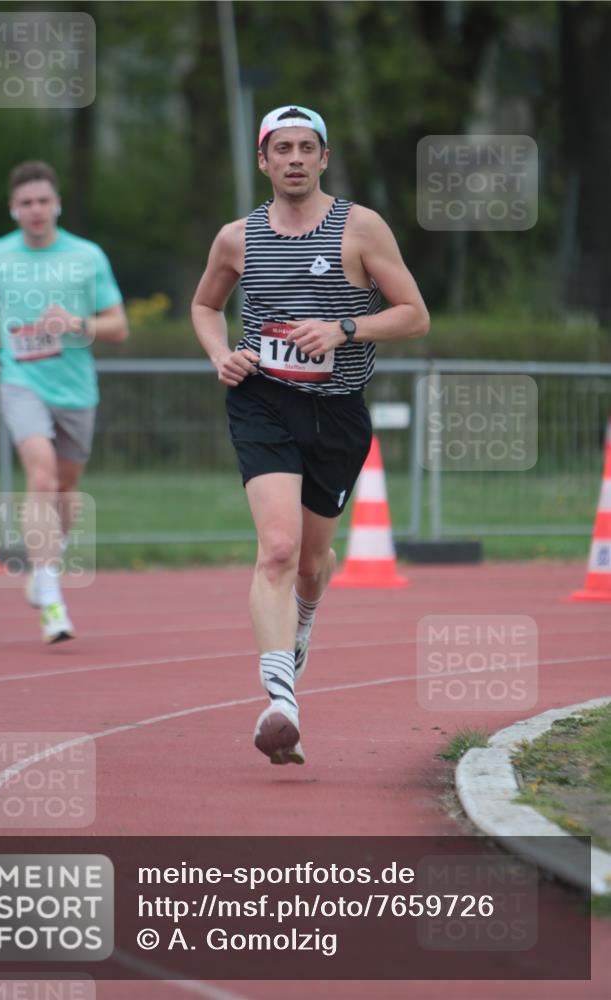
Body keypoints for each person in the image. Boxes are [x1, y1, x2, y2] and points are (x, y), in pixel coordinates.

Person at [192, 105, 429, 765]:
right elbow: (205, 305)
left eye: (306, 148)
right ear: (262, 161)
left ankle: (301, 627)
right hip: (261, 400)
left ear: (323, 159)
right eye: (282, 149)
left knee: (309, 565)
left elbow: (414, 315)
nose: (294, 159)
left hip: (338, 412)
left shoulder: (359, 227)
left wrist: (344, 328)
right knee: (274, 548)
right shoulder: (236, 238)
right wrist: (221, 355)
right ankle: (279, 702)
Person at [0, 160, 128, 642]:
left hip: (76, 388)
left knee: (65, 489)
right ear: (14, 209)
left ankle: (44, 566)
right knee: (41, 474)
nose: (35, 210)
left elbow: (118, 325)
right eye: (26, 203)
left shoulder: (87, 256)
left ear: (56, 204)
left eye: (43, 201)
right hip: (20, 380)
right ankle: (52, 596)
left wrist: (77, 325)